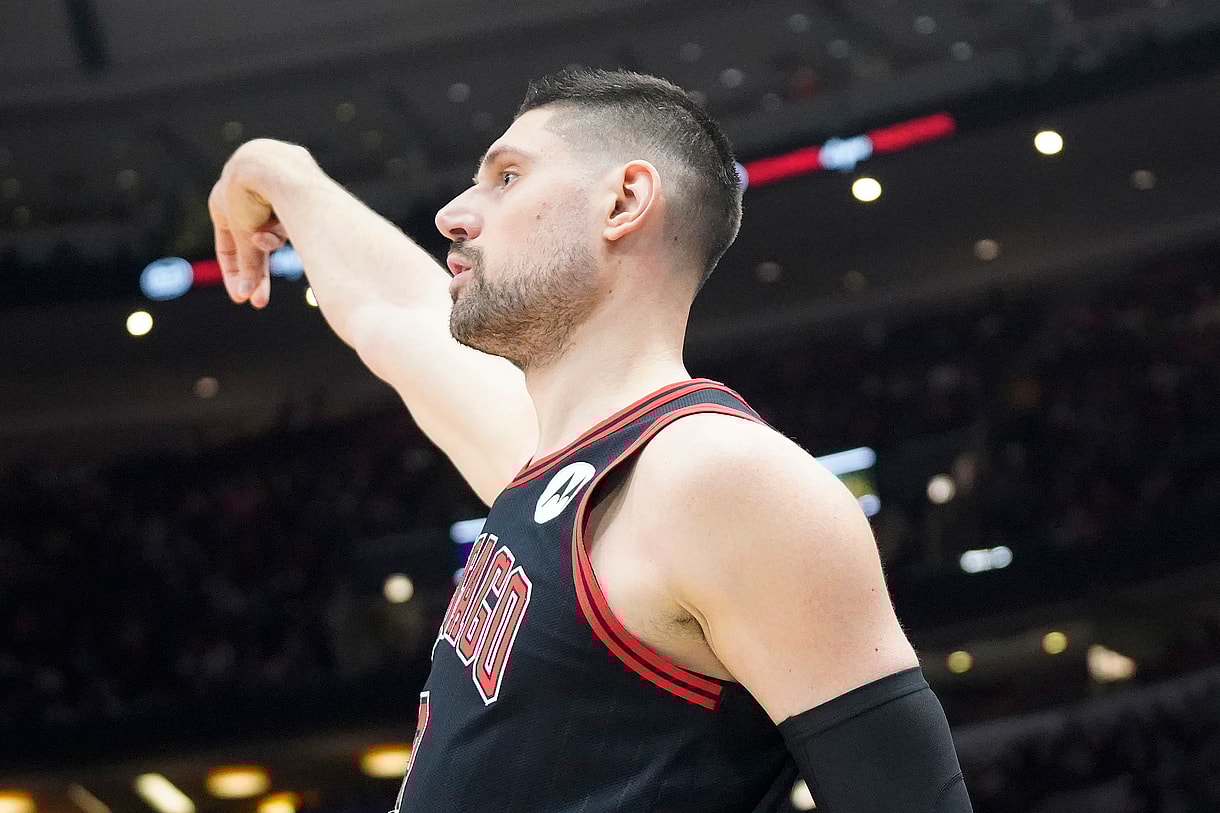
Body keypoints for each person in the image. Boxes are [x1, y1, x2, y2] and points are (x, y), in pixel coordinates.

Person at [209, 69, 971, 813]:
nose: (452, 212)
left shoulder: (716, 476)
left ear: (623, 200)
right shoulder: (554, 466)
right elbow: (392, 310)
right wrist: (275, 170)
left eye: (505, 177)